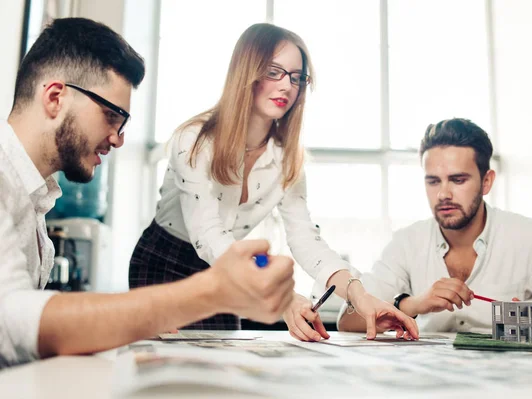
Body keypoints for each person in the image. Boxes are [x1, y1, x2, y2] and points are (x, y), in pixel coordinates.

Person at [0, 17, 296, 368]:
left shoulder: (34, 200)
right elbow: (15, 322)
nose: (118, 138)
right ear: (54, 97)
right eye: (112, 115)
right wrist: (212, 291)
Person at [129, 23, 419, 342]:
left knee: (223, 375)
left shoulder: (287, 159)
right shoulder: (194, 140)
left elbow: (305, 238)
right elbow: (208, 235)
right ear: (246, 71)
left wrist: (359, 295)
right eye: (274, 72)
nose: (287, 86)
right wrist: (281, 297)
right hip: (164, 261)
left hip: (227, 272)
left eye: (296, 77)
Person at [338, 118, 532, 333]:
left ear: (486, 182)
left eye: (458, 180)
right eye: (433, 181)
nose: (443, 194)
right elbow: (347, 321)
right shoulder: (406, 243)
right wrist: (415, 304)